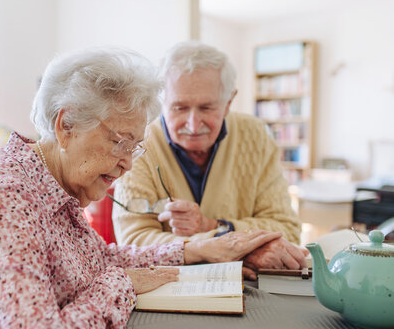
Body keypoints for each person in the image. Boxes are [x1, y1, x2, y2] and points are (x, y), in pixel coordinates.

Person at [0, 47, 284, 329]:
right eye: (119, 142)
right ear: (66, 125)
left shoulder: (46, 179)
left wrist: (193, 251)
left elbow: (95, 257)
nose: (126, 162)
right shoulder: (2, 199)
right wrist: (122, 284)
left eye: (134, 146)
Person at [112, 41, 307, 274]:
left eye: (206, 108)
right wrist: (237, 249)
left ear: (228, 103)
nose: (193, 125)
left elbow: (287, 228)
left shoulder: (255, 135)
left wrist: (213, 226)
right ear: (162, 103)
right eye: (180, 108)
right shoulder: (140, 142)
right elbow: (132, 242)